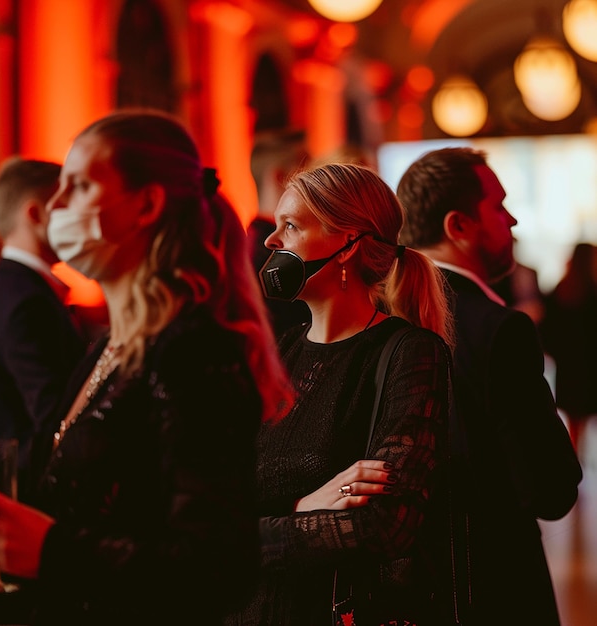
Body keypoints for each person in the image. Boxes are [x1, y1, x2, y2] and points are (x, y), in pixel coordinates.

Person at [0, 109, 294, 626]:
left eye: (76, 186)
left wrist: (53, 550)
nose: (54, 206)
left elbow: (219, 568)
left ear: (146, 204)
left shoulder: (192, 350)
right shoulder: (110, 345)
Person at [226, 162, 456, 626]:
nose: (272, 242)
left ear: (348, 243)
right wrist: (301, 508)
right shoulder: (282, 351)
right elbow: (221, 491)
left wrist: (236, 540)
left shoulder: (410, 353)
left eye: (290, 225)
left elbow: (387, 525)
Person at [396, 146, 583, 626]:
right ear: (458, 225)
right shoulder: (497, 328)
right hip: (496, 582)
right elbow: (551, 489)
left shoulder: (383, 319)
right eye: (498, 206)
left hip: (409, 585)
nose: (513, 220)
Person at [0, 156, 87, 502]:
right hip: (30, 504)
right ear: (35, 215)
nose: (78, 215)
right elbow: (56, 422)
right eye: (65, 203)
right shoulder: (26, 303)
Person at [248, 128, 311, 336]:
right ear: (280, 177)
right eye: (309, 176)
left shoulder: (249, 244)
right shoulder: (268, 256)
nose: (317, 188)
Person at [540, 242, 597, 452]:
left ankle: (576, 460)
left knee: (574, 422)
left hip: (569, 367)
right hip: (589, 367)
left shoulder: (560, 290)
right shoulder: (592, 292)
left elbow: (547, 331)